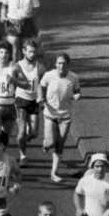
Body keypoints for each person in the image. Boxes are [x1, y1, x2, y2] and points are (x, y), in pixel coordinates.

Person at [39, 51, 80, 183]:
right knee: (51, 142)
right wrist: (41, 97)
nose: (61, 66)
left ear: (68, 64)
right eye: (59, 63)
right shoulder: (48, 75)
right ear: (55, 64)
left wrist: (77, 96)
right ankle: (46, 144)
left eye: (63, 63)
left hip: (65, 115)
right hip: (50, 113)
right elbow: (41, 86)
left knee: (60, 143)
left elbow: (77, 90)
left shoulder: (73, 77)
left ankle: (54, 172)